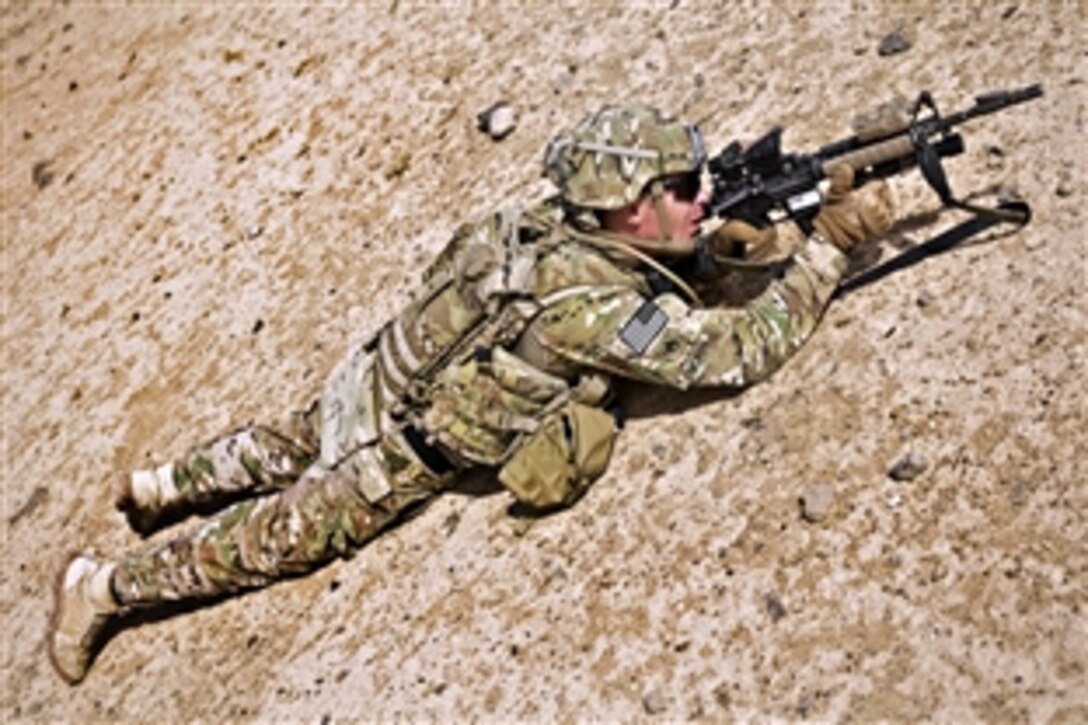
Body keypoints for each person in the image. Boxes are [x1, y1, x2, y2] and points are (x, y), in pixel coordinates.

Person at [48, 104, 895, 684]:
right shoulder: (587, 312)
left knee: (290, 440)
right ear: (628, 211)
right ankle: (107, 585)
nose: (702, 191)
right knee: (274, 539)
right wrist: (823, 255)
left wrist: (709, 256)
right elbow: (743, 350)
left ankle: (163, 484)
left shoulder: (531, 221)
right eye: (679, 189)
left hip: (374, 377)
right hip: (408, 454)